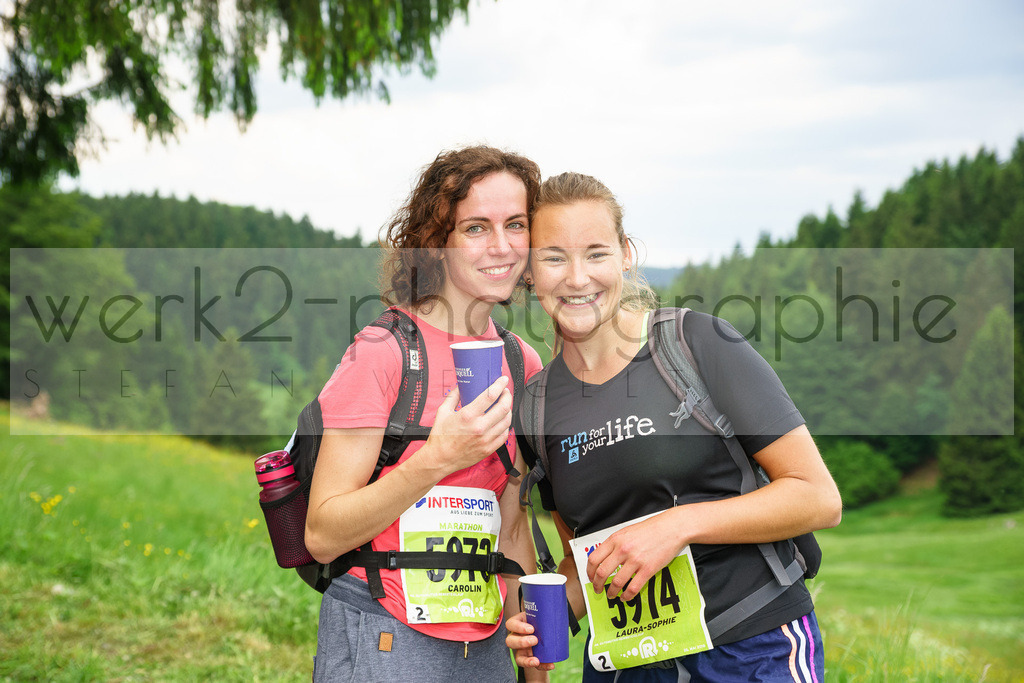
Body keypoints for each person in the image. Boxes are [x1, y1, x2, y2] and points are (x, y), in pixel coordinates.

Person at [506, 172, 842, 682]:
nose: (577, 278)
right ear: (530, 270)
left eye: (595, 253)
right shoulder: (536, 408)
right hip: (628, 665)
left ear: (625, 254)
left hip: (751, 649)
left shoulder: (695, 343)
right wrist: (536, 628)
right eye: (554, 257)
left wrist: (676, 525)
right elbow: (583, 562)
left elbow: (817, 498)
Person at [305, 146, 547, 682]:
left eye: (516, 225)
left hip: (483, 649)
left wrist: (534, 673)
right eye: (477, 228)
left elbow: (509, 531)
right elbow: (321, 534)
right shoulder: (384, 352)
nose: (502, 246)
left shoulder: (520, 362)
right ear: (438, 241)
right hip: (382, 633)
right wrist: (436, 460)